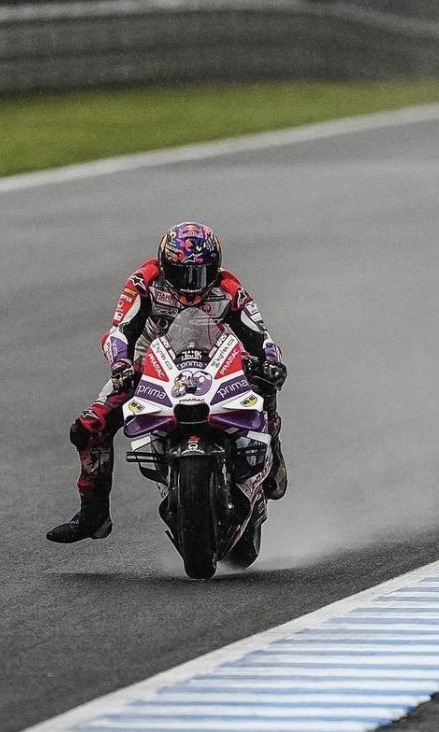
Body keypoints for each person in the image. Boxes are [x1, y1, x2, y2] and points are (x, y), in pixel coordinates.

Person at [47, 223, 288, 544]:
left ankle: (274, 455)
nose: (191, 284)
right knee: (89, 428)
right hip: (151, 361)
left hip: (216, 358)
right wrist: (120, 366)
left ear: (214, 268)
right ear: (164, 265)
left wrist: (270, 361)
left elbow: (260, 333)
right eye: (181, 273)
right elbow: (120, 329)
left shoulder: (229, 289)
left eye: (200, 274)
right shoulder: (143, 283)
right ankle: (94, 514)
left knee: (265, 380)